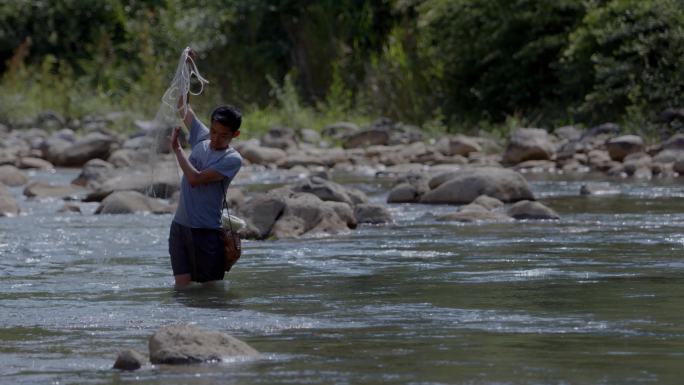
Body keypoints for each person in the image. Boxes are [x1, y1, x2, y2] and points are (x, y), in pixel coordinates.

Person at [168, 60, 243, 287]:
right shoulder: (201, 136)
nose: (215, 138)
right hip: (180, 226)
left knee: (212, 292)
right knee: (181, 289)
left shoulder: (232, 159)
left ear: (235, 135)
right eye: (213, 131)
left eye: (223, 135)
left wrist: (178, 150)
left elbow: (195, 179)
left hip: (206, 232)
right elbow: (183, 106)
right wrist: (186, 67)